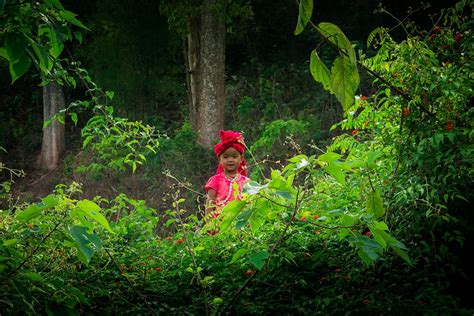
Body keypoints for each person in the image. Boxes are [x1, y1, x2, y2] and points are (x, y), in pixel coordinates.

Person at [205, 130, 249, 219]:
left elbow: (249, 205)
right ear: (219, 160)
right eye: (225, 157)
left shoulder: (246, 182)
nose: (230, 160)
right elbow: (210, 203)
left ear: (241, 159)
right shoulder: (215, 181)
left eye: (234, 156)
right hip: (219, 227)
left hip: (240, 226)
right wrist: (209, 226)